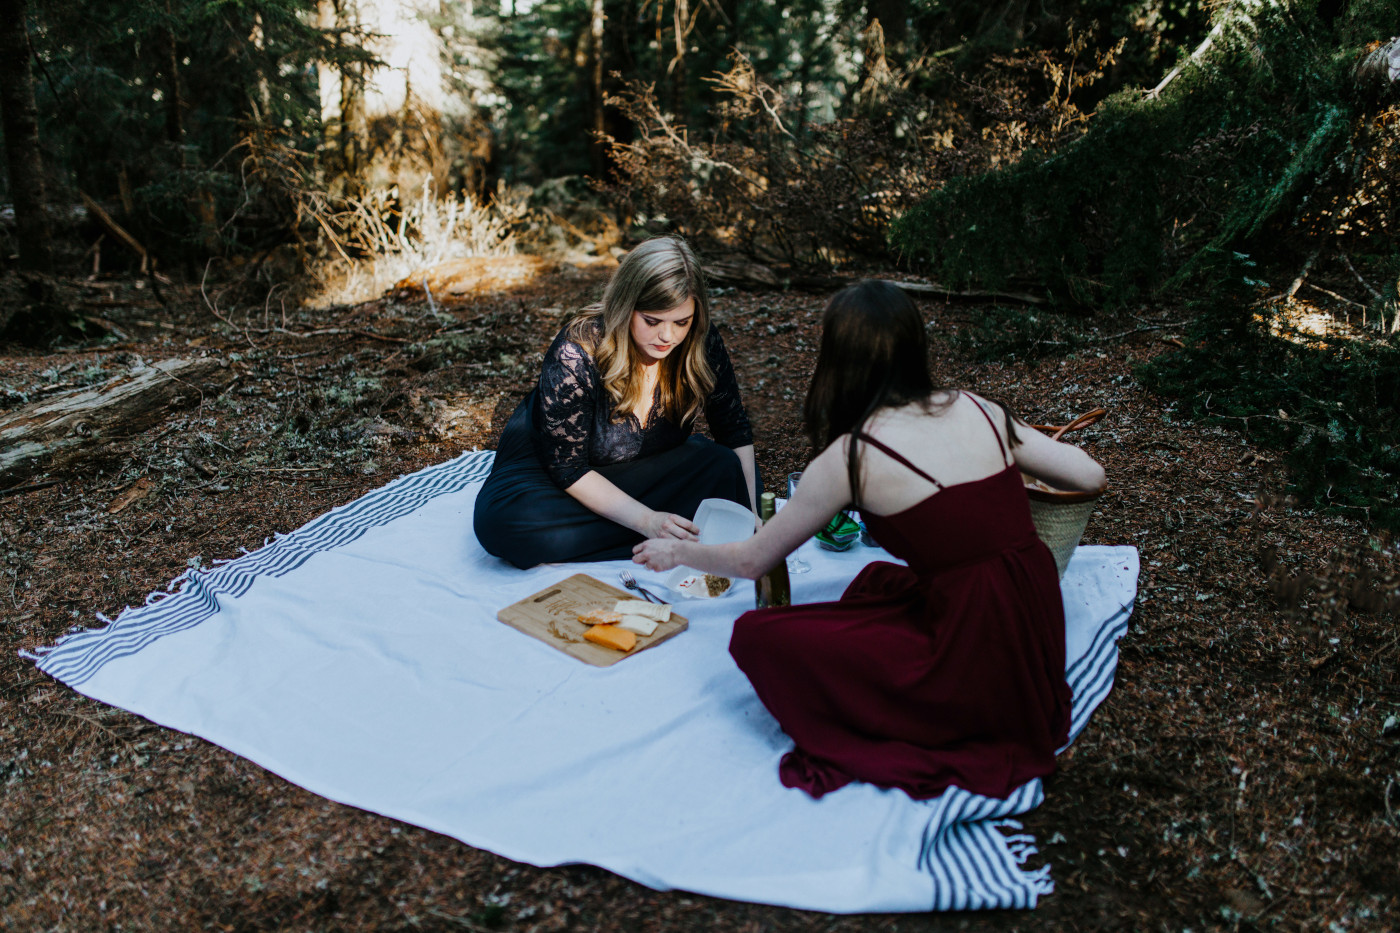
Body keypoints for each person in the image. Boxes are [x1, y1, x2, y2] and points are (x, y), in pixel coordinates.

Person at [632, 279, 1106, 801]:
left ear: (836, 359)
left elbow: (752, 559)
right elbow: (1090, 477)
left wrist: (675, 549)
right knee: (877, 579)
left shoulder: (852, 456)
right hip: (1034, 608)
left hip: (972, 637)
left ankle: (938, 706)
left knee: (756, 636)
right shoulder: (979, 408)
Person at [474, 237, 757, 568]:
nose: (668, 336)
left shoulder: (699, 341)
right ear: (626, 305)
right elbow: (567, 468)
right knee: (503, 524)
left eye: (681, 321)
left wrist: (752, 515)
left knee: (725, 468)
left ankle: (658, 531)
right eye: (652, 321)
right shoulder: (577, 351)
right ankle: (664, 534)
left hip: (643, 467)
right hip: (558, 473)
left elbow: (733, 429)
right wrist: (648, 521)